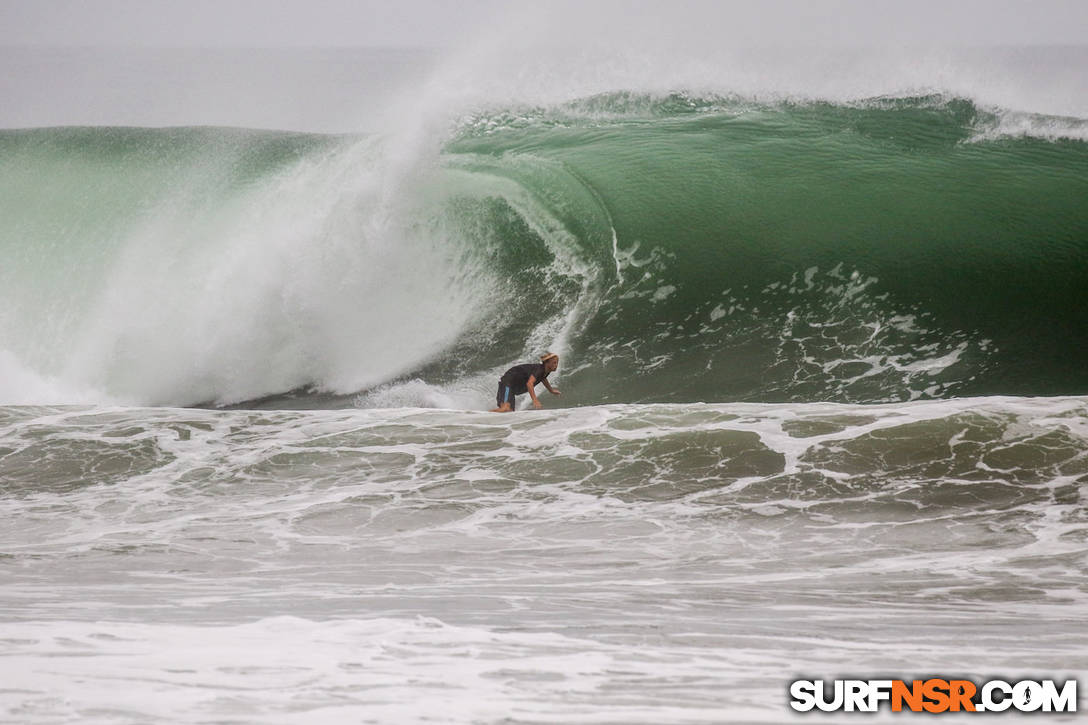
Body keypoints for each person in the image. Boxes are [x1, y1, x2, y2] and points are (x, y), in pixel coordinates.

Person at [490, 352, 561, 412]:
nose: (556, 365)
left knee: (509, 412)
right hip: (507, 382)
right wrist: (535, 400)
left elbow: (543, 378)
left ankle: (485, 419)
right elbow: (529, 384)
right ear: (547, 363)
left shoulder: (545, 372)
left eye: (557, 363)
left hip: (512, 388)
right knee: (505, 409)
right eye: (554, 363)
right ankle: (482, 416)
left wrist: (551, 390)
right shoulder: (539, 369)